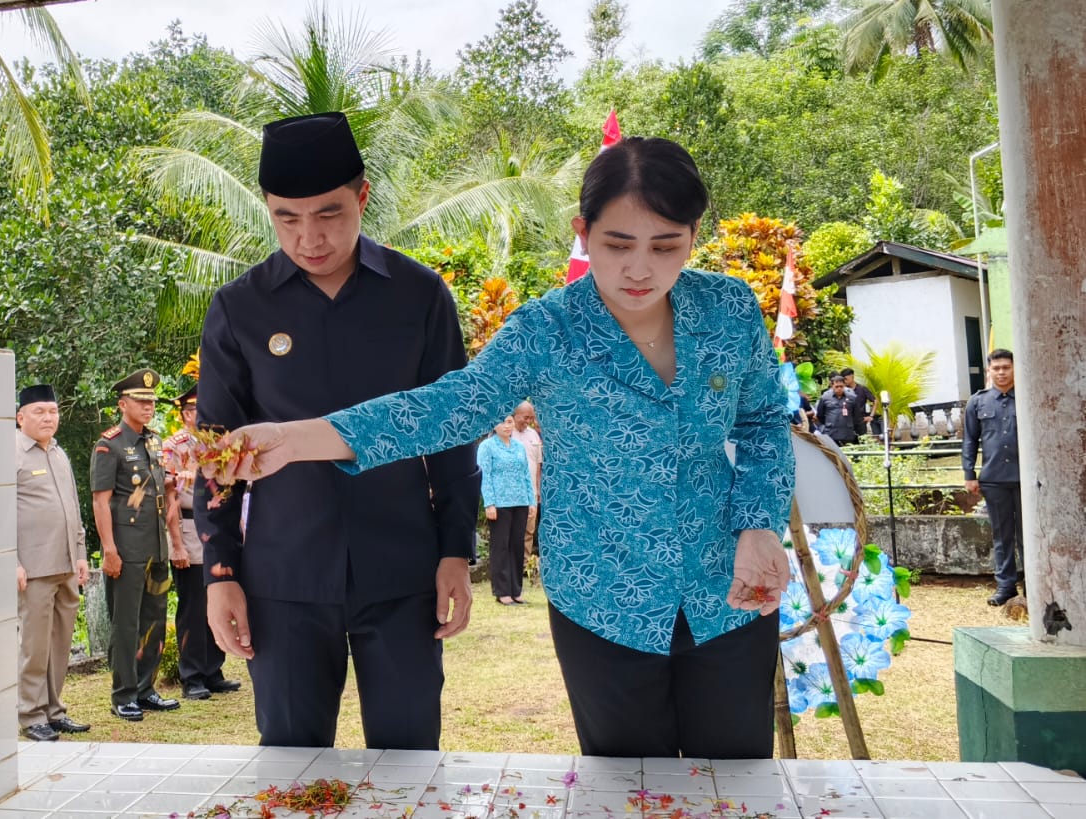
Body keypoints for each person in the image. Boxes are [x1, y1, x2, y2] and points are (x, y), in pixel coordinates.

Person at [224, 136, 795, 759]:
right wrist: (294, 438)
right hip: (603, 594)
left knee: (737, 783)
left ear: (693, 235)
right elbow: (447, 406)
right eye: (617, 244)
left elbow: (763, 421)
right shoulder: (546, 328)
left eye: (665, 246)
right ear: (583, 232)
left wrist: (759, 525)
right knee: (626, 788)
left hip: (729, 586)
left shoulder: (728, 309)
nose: (640, 269)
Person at [195, 111, 479, 750]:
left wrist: (455, 551)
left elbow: (452, 433)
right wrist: (221, 573)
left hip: (403, 571)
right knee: (291, 760)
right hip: (283, 578)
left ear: (362, 197)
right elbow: (218, 454)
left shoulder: (420, 295)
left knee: (409, 757)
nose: (310, 238)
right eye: (287, 219)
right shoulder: (240, 307)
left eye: (329, 214)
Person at [90, 369, 179, 721]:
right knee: (126, 623)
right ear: (122, 404)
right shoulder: (109, 444)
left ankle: (146, 688)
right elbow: (101, 501)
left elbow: (159, 492)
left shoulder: (154, 441)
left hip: (156, 546)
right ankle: (124, 694)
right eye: (141, 401)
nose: (148, 407)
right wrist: (109, 550)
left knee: (154, 618)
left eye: (152, 401)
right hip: (127, 549)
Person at [14, 384, 93, 742]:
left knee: (60, 643)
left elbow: (73, 508)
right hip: (33, 567)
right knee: (34, 646)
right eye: (39, 412)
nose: (48, 418)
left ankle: (54, 710)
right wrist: (12, 561)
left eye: (53, 411)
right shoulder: (11, 453)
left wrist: (81, 554)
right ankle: (31, 715)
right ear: (21, 417)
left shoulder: (58, 453)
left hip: (65, 564)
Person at [160, 384, 242, 700]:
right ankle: (192, 675)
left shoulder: (219, 443)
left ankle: (213, 670)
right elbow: (168, 494)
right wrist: (177, 544)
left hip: (217, 528)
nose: (199, 414)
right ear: (183, 415)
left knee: (216, 598)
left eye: (201, 407)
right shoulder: (174, 446)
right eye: (192, 410)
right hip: (189, 527)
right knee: (193, 606)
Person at [962, 349, 1022, 606]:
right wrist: (969, 474)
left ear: (1014, 368)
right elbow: (970, 440)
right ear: (989, 371)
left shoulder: (1028, 397)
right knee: (1002, 535)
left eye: (1006, 367)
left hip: (1025, 480)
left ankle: (1034, 586)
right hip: (994, 479)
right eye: (996, 368)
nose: (1001, 373)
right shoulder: (978, 402)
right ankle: (1006, 587)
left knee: (1029, 535)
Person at [477, 416, 535, 606]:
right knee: (501, 546)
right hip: (499, 504)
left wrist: (531, 501)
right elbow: (485, 476)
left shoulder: (519, 447)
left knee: (517, 546)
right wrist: (489, 503)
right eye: (502, 422)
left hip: (520, 501)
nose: (506, 426)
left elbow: (526, 474)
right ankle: (502, 592)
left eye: (509, 421)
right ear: (493, 425)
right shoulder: (487, 447)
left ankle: (516, 590)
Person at [511, 401, 543, 560]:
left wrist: (538, 490)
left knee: (529, 530)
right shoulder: (506, 433)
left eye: (531, 418)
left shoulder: (533, 435)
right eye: (526, 417)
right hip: (510, 492)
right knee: (511, 530)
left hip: (530, 492)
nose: (529, 421)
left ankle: (524, 564)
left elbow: (538, 465)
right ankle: (510, 563)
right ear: (515, 415)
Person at [814, 374, 862, 445]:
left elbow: (857, 415)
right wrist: (828, 424)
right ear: (832, 386)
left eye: (841, 386)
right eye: (836, 386)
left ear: (844, 385)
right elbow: (820, 415)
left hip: (847, 432)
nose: (839, 388)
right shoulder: (825, 397)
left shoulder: (852, 398)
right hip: (830, 432)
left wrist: (850, 424)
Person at [842, 368, 877, 438]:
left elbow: (875, 401)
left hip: (861, 421)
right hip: (847, 422)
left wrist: (871, 416)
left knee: (862, 440)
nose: (844, 381)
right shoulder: (843, 390)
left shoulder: (862, 389)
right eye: (843, 380)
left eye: (846, 379)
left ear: (852, 376)